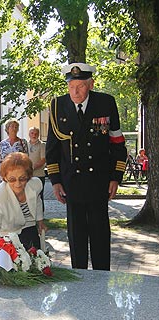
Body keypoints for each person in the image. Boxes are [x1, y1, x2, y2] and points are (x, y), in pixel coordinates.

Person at [46, 62, 127, 270]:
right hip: (71, 182)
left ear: (90, 84)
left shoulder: (106, 103)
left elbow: (117, 143)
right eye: (71, 86)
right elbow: (53, 149)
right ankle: (79, 283)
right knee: (76, 237)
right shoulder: (57, 106)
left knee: (100, 235)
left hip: (99, 181)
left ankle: (102, 281)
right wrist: (55, 181)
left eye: (81, 86)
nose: (75, 91)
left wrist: (115, 177)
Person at [0, 152, 46, 249]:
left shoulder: (35, 185)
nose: (18, 184)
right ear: (5, 178)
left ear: (28, 176)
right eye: (12, 179)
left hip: (29, 228)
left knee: (36, 258)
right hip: (8, 234)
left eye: (22, 178)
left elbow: (37, 202)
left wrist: (40, 221)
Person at [28, 126, 46, 210]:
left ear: (38, 134)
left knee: (39, 196)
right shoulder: (25, 144)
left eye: (36, 133)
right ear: (29, 134)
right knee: (28, 196)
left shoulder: (42, 145)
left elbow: (43, 160)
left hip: (39, 175)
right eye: (32, 133)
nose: (34, 135)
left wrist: (31, 168)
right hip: (28, 176)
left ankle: (40, 217)